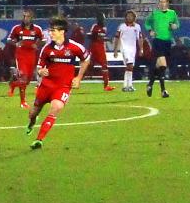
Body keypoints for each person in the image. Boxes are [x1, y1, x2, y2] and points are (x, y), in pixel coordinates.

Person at [27, 17, 91, 150]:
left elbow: (86, 59)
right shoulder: (46, 49)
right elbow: (39, 67)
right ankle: (32, 122)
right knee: (33, 113)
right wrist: (41, 71)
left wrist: (79, 77)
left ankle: (39, 139)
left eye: (53, 31)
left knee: (55, 108)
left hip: (63, 87)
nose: (50, 33)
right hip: (46, 86)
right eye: (50, 30)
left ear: (62, 31)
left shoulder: (74, 47)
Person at [8, 10, 46, 108]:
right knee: (23, 78)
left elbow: (43, 40)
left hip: (31, 56)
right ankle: (23, 102)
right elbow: (9, 40)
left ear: (32, 18)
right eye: (24, 16)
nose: (26, 18)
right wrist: (16, 43)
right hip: (20, 56)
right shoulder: (17, 28)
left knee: (27, 81)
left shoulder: (37, 29)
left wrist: (37, 44)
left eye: (28, 17)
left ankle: (13, 84)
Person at [145, 0, 180, 99]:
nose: (162, 4)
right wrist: (150, 31)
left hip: (167, 42)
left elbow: (177, 24)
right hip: (158, 41)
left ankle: (150, 84)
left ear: (167, 3)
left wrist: (174, 26)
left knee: (160, 67)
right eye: (160, 2)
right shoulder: (155, 13)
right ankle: (163, 90)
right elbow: (147, 23)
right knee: (163, 65)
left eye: (164, 2)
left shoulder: (172, 13)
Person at [116, 11, 143, 92]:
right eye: (128, 16)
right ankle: (128, 85)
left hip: (133, 49)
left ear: (134, 17)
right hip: (124, 48)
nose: (129, 17)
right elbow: (117, 37)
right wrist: (115, 50)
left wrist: (141, 49)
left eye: (131, 16)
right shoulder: (122, 26)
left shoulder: (137, 27)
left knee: (129, 67)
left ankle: (126, 86)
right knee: (130, 65)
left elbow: (140, 38)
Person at [84, 14, 113, 91]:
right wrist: (94, 35)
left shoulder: (104, 28)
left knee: (104, 65)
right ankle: (80, 80)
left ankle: (106, 85)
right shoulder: (95, 26)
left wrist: (106, 39)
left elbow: (101, 38)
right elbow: (90, 36)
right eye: (101, 18)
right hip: (94, 47)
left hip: (101, 48)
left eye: (103, 18)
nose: (102, 20)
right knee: (90, 65)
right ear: (97, 19)